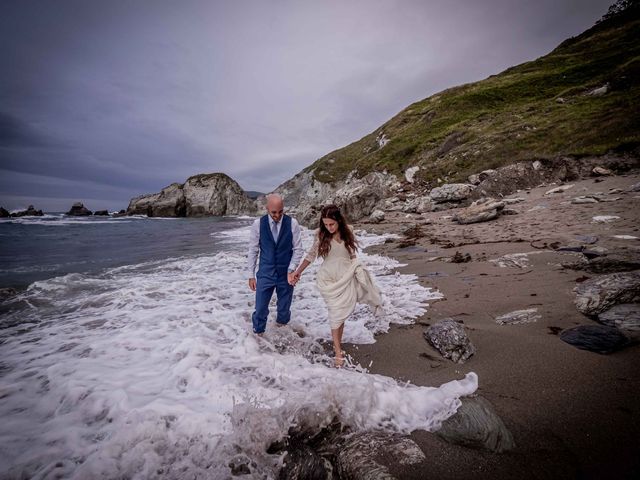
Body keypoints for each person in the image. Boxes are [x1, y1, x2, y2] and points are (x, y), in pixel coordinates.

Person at [292, 204, 383, 367]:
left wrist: (358, 270)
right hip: (328, 279)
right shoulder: (320, 234)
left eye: (331, 224)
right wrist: (298, 271)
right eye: (325, 224)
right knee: (335, 314)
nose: (329, 227)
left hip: (345, 277)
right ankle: (338, 351)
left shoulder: (349, 231)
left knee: (340, 315)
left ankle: (338, 345)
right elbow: (312, 255)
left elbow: (352, 254)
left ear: (339, 221)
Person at [247, 193, 303, 335]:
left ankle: (281, 337)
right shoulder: (258, 224)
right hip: (265, 274)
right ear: (267, 209)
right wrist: (251, 275)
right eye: (274, 212)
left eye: (280, 211)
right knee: (260, 309)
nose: (277, 215)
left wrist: (291, 270)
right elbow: (253, 251)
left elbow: (298, 250)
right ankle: (258, 338)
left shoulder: (292, 223)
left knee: (284, 310)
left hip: (286, 274)